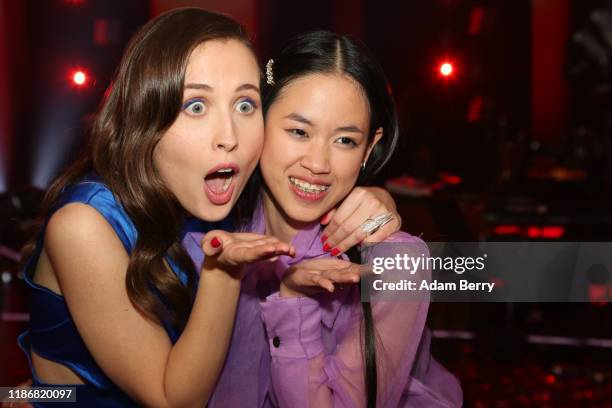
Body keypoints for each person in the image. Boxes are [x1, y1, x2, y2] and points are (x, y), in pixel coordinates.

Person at [16, 8, 401, 408]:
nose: (229, 136)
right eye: (197, 106)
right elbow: (171, 400)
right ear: (144, 115)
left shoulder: (223, 199)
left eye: (245, 105)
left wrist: (380, 202)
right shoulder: (84, 224)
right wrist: (223, 271)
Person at [201, 30, 464, 407]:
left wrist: (294, 301)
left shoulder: (395, 264)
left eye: (344, 141)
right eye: (298, 131)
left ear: (369, 148)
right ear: (257, 120)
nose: (318, 164)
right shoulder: (214, 229)